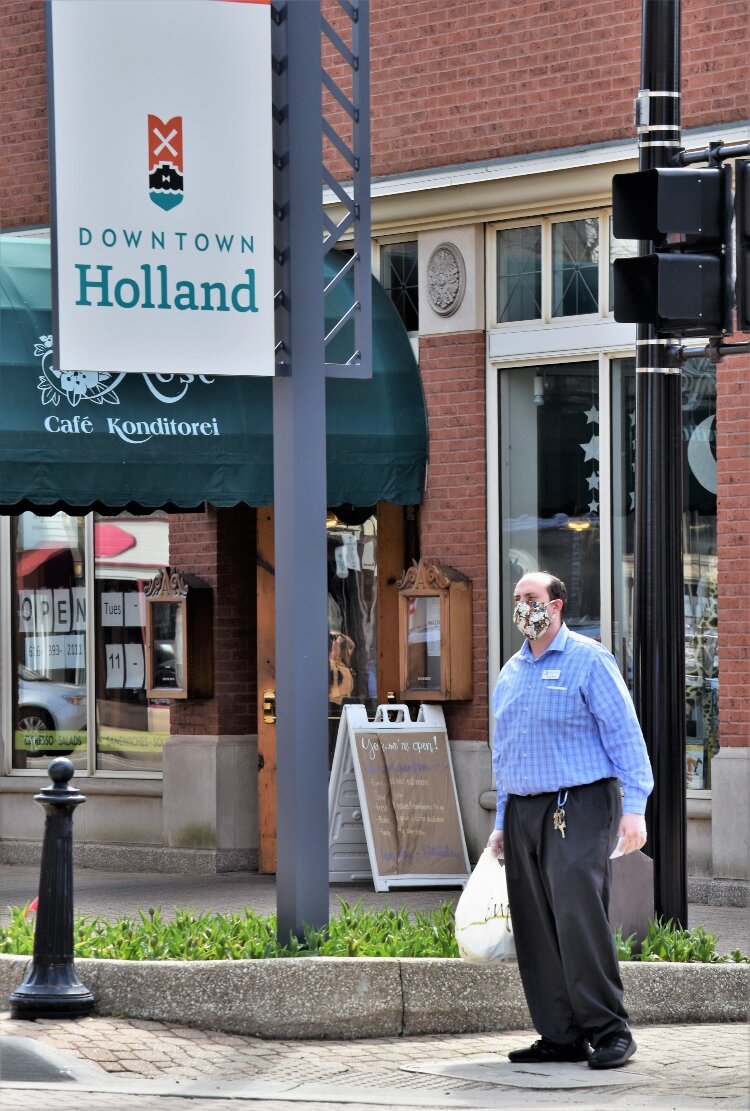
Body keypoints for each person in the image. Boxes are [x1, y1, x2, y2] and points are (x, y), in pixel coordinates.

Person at [487, 571, 653, 1070]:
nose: (523, 608)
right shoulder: (510, 671)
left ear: (556, 606)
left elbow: (626, 735)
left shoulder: (589, 660)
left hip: (577, 806)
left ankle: (610, 1031)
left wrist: (635, 807)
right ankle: (560, 1035)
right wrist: (500, 819)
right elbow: (505, 754)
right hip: (522, 811)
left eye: (531, 599)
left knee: (579, 916)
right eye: (517, 600)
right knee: (534, 925)